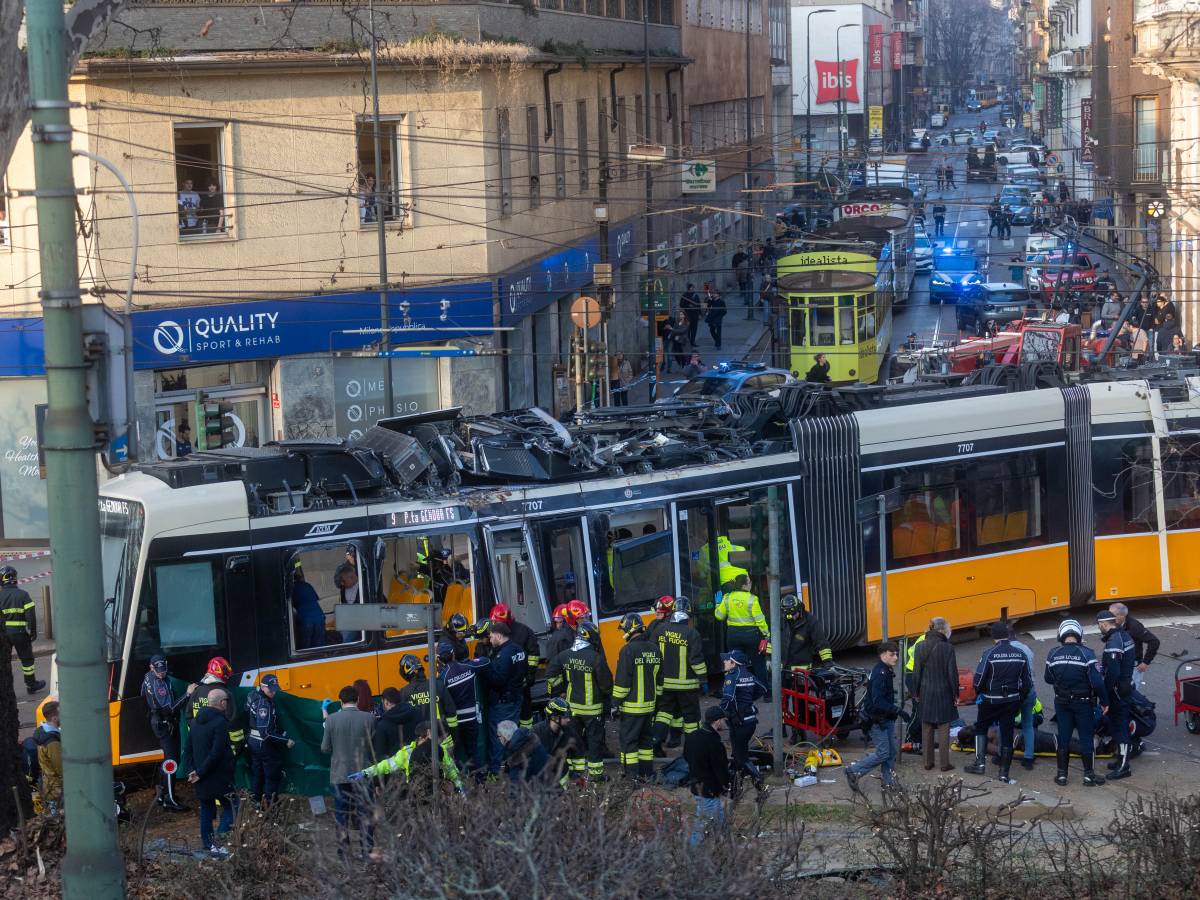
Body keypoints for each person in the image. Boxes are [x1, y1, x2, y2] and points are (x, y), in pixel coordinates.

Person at [963, 622, 1031, 783]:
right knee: (1007, 732)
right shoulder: (1020, 654)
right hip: (1012, 700)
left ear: (993, 637)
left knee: (981, 727)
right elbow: (1027, 682)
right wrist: (1019, 698)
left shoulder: (990, 654)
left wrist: (981, 693)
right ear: (1008, 635)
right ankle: (1004, 773)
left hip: (991, 700)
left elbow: (978, 680)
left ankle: (980, 764)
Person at [1044, 618, 1107, 787]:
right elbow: (1098, 682)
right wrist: (1105, 702)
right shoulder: (1087, 654)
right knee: (1086, 738)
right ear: (1079, 634)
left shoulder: (1053, 654)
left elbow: (1048, 678)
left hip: (1062, 703)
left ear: (1061, 634)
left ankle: (1062, 775)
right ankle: (1088, 776)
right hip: (1083, 703)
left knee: (1063, 737)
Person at [545, 621, 611, 781]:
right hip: (592, 710)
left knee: (574, 741)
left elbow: (551, 675)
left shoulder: (565, 655)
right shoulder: (596, 658)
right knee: (594, 742)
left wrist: (560, 690)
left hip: (572, 709)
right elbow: (607, 686)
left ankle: (575, 773)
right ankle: (596, 776)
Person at [845, 642, 906, 794]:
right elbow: (878, 701)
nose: (896, 657)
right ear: (883, 654)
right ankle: (853, 770)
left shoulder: (885, 669)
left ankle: (888, 783)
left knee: (891, 752)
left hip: (886, 718)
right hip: (877, 720)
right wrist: (897, 710)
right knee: (884, 753)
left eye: (897, 654)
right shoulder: (880, 673)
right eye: (892, 654)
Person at [322, 685, 376, 855]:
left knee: (341, 815)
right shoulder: (369, 718)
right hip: (363, 773)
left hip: (340, 774)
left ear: (340, 701)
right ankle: (367, 851)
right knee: (365, 814)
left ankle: (343, 853)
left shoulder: (331, 720)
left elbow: (325, 748)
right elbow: (373, 747)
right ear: (357, 699)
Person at [187, 688, 238, 859]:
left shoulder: (194, 722)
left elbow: (188, 749)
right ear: (222, 702)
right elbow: (216, 753)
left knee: (206, 811)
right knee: (232, 806)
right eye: (226, 701)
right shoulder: (220, 723)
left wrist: (193, 771)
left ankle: (208, 845)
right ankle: (220, 840)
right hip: (218, 776)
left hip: (201, 777)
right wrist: (200, 772)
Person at [652, 601, 707, 753]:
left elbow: (653, 654)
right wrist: (703, 679)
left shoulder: (660, 630)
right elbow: (696, 660)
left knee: (664, 714)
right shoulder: (692, 633)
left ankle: (656, 741)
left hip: (664, 684)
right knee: (691, 717)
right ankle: (693, 748)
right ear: (688, 615)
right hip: (687, 685)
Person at [612, 613, 662, 779]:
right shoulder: (655, 649)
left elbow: (622, 682)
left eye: (623, 629)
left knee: (629, 743)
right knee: (646, 742)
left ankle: (631, 777)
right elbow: (660, 681)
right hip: (650, 707)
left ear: (629, 628)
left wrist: (615, 703)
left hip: (632, 708)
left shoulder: (627, 650)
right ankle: (647, 773)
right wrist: (657, 703)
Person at [351, 720, 463, 794]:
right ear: (421, 738)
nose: (431, 740)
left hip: (437, 792)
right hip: (417, 794)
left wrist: (460, 789)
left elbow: (451, 770)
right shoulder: (407, 752)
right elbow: (387, 765)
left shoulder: (439, 750)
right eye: (428, 737)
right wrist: (366, 772)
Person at [140, 654, 191, 811]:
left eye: (164, 670)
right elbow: (169, 709)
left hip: (162, 723)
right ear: (151, 667)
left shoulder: (150, 677)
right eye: (159, 670)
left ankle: (162, 794)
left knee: (171, 759)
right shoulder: (157, 684)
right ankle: (169, 799)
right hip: (164, 724)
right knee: (171, 761)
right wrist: (187, 694)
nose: (162, 673)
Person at [479, 620, 528, 775]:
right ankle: (512, 766)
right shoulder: (519, 650)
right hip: (515, 699)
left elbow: (498, 680)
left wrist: (486, 668)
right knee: (512, 735)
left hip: (502, 703)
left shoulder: (503, 655)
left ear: (499, 636)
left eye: (492, 636)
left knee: (499, 738)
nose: (490, 639)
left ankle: (495, 772)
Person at [910, 618, 958, 773]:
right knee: (944, 727)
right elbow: (952, 674)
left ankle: (927, 762)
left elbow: (916, 672)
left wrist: (915, 692)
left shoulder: (920, 646)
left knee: (927, 727)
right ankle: (944, 763)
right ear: (942, 630)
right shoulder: (948, 648)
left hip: (926, 691)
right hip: (944, 692)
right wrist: (956, 693)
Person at [435, 640, 489, 774]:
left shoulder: (443, 677)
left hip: (456, 723)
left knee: (458, 754)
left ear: (439, 659)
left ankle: (463, 782)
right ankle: (480, 780)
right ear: (453, 654)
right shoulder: (467, 666)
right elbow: (486, 661)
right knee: (473, 751)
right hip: (472, 718)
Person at [720, 649, 767, 795]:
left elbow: (727, 699)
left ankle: (760, 784)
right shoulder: (749, 674)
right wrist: (747, 701)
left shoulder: (732, 676)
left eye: (727, 660)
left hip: (739, 724)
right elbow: (763, 689)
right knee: (737, 755)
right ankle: (735, 789)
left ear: (734, 663)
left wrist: (721, 715)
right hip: (750, 722)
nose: (724, 662)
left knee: (741, 757)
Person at [683, 706, 732, 848]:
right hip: (709, 791)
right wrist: (726, 787)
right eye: (723, 720)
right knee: (702, 823)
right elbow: (721, 770)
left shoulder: (692, 736)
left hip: (696, 786)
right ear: (716, 722)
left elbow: (686, 756)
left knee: (719, 818)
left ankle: (728, 843)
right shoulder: (715, 743)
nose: (724, 723)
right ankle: (692, 851)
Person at [395, 653, 458, 760]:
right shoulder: (438, 685)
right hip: (444, 741)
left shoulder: (404, 693)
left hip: (420, 744)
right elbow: (452, 714)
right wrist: (454, 737)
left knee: (424, 774)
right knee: (448, 772)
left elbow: (402, 724)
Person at [1097, 609, 1136, 779]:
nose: (1099, 628)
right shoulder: (1125, 636)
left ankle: (1124, 766)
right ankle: (1121, 759)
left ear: (1104, 624)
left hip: (1117, 691)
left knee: (1120, 728)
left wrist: (1104, 694)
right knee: (1118, 726)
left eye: (1099, 625)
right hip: (1125, 687)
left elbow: (1112, 672)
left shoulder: (1114, 641)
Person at [245, 674, 294, 806]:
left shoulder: (252, 695)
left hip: (253, 742)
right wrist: (285, 740)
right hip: (263, 744)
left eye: (275, 689)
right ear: (262, 686)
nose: (273, 692)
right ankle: (270, 807)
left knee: (257, 774)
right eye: (270, 689)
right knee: (271, 776)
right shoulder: (264, 705)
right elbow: (266, 733)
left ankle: (256, 803)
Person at [488, 603, 540, 728]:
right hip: (504, 685)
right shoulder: (493, 632)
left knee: (525, 711)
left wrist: (530, 675)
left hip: (521, 680)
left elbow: (533, 655)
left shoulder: (524, 631)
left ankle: (526, 736)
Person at [715, 573, 770, 689]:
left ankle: (735, 690)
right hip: (751, 635)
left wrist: (718, 604)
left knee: (734, 664)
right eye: (749, 582)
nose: (751, 584)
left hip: (733, 635)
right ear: (744, 585)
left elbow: (719, 616)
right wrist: (766, 633)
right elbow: (759, 619)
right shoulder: (752, 599)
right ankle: (766, 693)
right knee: (758, 664)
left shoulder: (727, 598)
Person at [1, 566, 46, 694]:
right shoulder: (23, 595)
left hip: (4, 634)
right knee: (27, 660)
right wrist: (32, 631)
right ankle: (31, 685)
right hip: (20, 633)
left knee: (4, 661)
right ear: (14, 579)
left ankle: (6, 689)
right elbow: (30, 614)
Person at [1006, 625, 1039, 771]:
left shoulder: (1006, 650)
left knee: (1006, 725)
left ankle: (1003, 755)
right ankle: (1028, 758)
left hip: (1013, 693)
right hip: (1030, 691)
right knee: (1028, 724)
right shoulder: (1027, 648)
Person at [778, 595, 832, 672]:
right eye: (789, 615)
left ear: (799, 608)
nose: (792, 617)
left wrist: (828, 663)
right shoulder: (781, 620)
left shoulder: (810, 621)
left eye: (794, 614)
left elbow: (821, 643)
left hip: (801, 670)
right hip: (783, 670)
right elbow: (772, 641)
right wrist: (768, 658)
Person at [532, 696, 579, 785]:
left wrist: (576, 775)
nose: (569, 719)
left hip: (560, 782)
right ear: (555, 718)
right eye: (565, 717)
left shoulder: (568, 732)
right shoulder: (537, 733)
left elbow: (576, 754)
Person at [496, 720, 549, 785]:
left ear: (504, 738)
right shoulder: (531, 740)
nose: (498, 739)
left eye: (499, 736)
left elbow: (515, 788)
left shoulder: (517, 760)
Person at [373, 686, 418, 761]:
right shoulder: (416, 713)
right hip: (416, 762)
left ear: (386, 702)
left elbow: (379, 753)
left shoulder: (382, 724)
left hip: (394, 767)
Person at [34, 701, 63, 815]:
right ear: (55, 718)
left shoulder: (42, 732)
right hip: (56, 789)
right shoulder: (52, 742)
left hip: (48, 785)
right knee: (58, 819)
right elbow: (60, 768)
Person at [290, 561, 326, 649]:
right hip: (319, 617)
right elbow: (316, 599)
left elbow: (292, 606)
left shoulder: (291, 589)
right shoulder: (307, 585)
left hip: (306, 619)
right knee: (319, 646)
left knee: (306, 648)